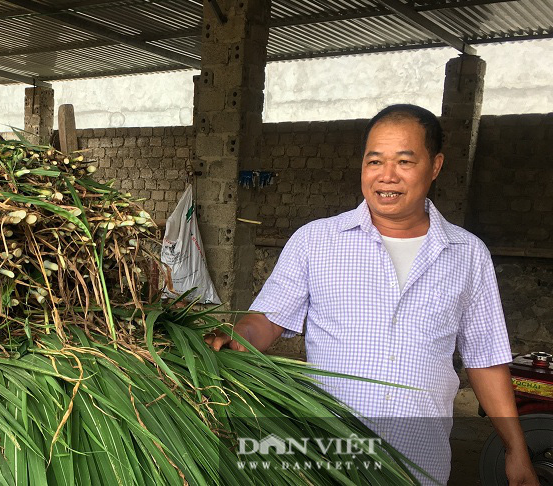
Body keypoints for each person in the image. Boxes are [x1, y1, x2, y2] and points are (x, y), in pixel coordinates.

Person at [205, 104, 539, 486]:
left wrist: (515, 448)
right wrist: (236, 338)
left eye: (404, 162)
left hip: (420, 461)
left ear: (435, 166)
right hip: (328, 460)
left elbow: (485, 359)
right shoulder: (316, 241)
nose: (387, 176)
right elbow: (267, 320)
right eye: (375, 161)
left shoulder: (467, 253)